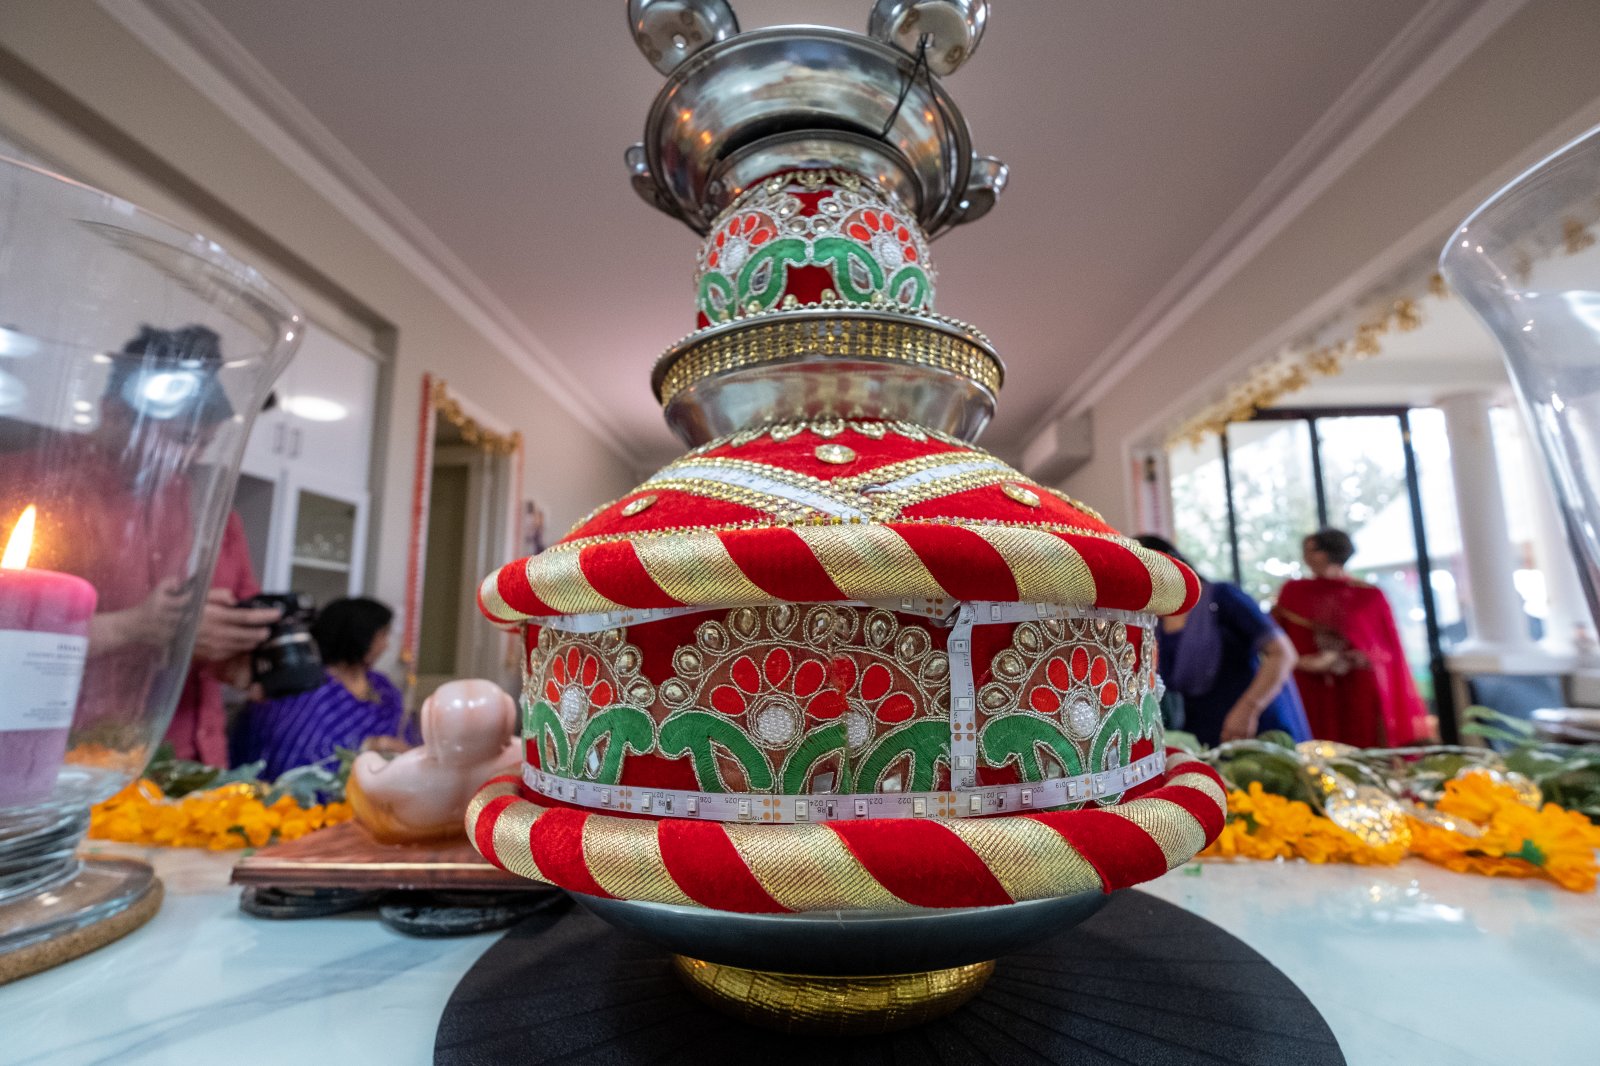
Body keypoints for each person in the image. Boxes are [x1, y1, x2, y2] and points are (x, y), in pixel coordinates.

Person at [0, 324, 281, 765]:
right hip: (63, 762)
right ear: (113, 413)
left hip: (190, 755)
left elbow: (230, 631)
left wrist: (234, 653)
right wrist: (132, 627)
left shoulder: (210, 514)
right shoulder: (24, 485)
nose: (190, 459)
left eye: (204, 444)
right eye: (181, 438)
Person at [1135, 535, 1309, 747]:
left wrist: (1248, 709)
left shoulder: (1222, 597)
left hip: (1254, 726)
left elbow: (1282, 653)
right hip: (1202, 733)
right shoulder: (1152, 619)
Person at [1273, 528, 1429, 747]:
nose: (1306, 556)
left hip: (1355, 686)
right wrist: (1302, 662)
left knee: (1360, 745)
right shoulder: (1294, 591)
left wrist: (1347, 658)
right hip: (1308, 684)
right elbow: (1276, 639)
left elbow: (1386, 649)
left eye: (1313, 550)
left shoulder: (1368, 595)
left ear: (1331, 552)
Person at [230, 597, 417, 779]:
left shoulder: (382, 686)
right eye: (381, 636)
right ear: (359, 636)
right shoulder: (307, 686)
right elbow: (297, 757)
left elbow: (406, 740)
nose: (385, 646)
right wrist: (370, 747)